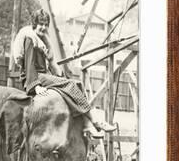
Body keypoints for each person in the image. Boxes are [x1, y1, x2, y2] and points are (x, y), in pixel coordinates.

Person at [14, 9, 116, 138]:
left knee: (77, 84)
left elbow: (49, 65)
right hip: (34, 77)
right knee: (70, 85)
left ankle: (86, 123)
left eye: (46, 24)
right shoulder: (30, 39)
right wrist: (36, 85)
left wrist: (57, 74)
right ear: (34, 23)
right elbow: (29, 65)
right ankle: (95, 120)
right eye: (41, 24)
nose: (43, 27)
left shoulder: (44, 40)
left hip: (44, 75)